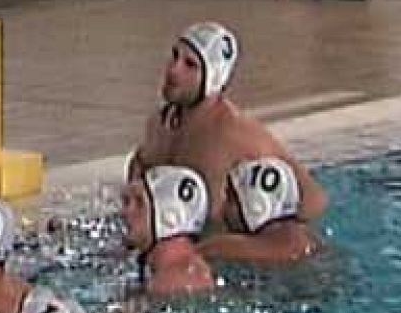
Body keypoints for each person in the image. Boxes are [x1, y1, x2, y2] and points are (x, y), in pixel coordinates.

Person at [128, 22, 330, 231]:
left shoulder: (234, 134)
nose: (173, 70)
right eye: (174, 55)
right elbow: (141, 167)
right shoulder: (161, 121)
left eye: (190, 65)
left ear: (213, 78)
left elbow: (313, 201)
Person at [199, 157, 320, 266]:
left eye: (230, 198)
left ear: (255, 205)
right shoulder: (313, 240)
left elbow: (196, 253)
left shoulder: (222, 248)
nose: (223, 208)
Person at [122, 166, 216, 297]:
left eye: (139, 203)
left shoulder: (178, 282)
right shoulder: (170, 274)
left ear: (169, 216)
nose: (125, 212)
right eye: (126, 202)